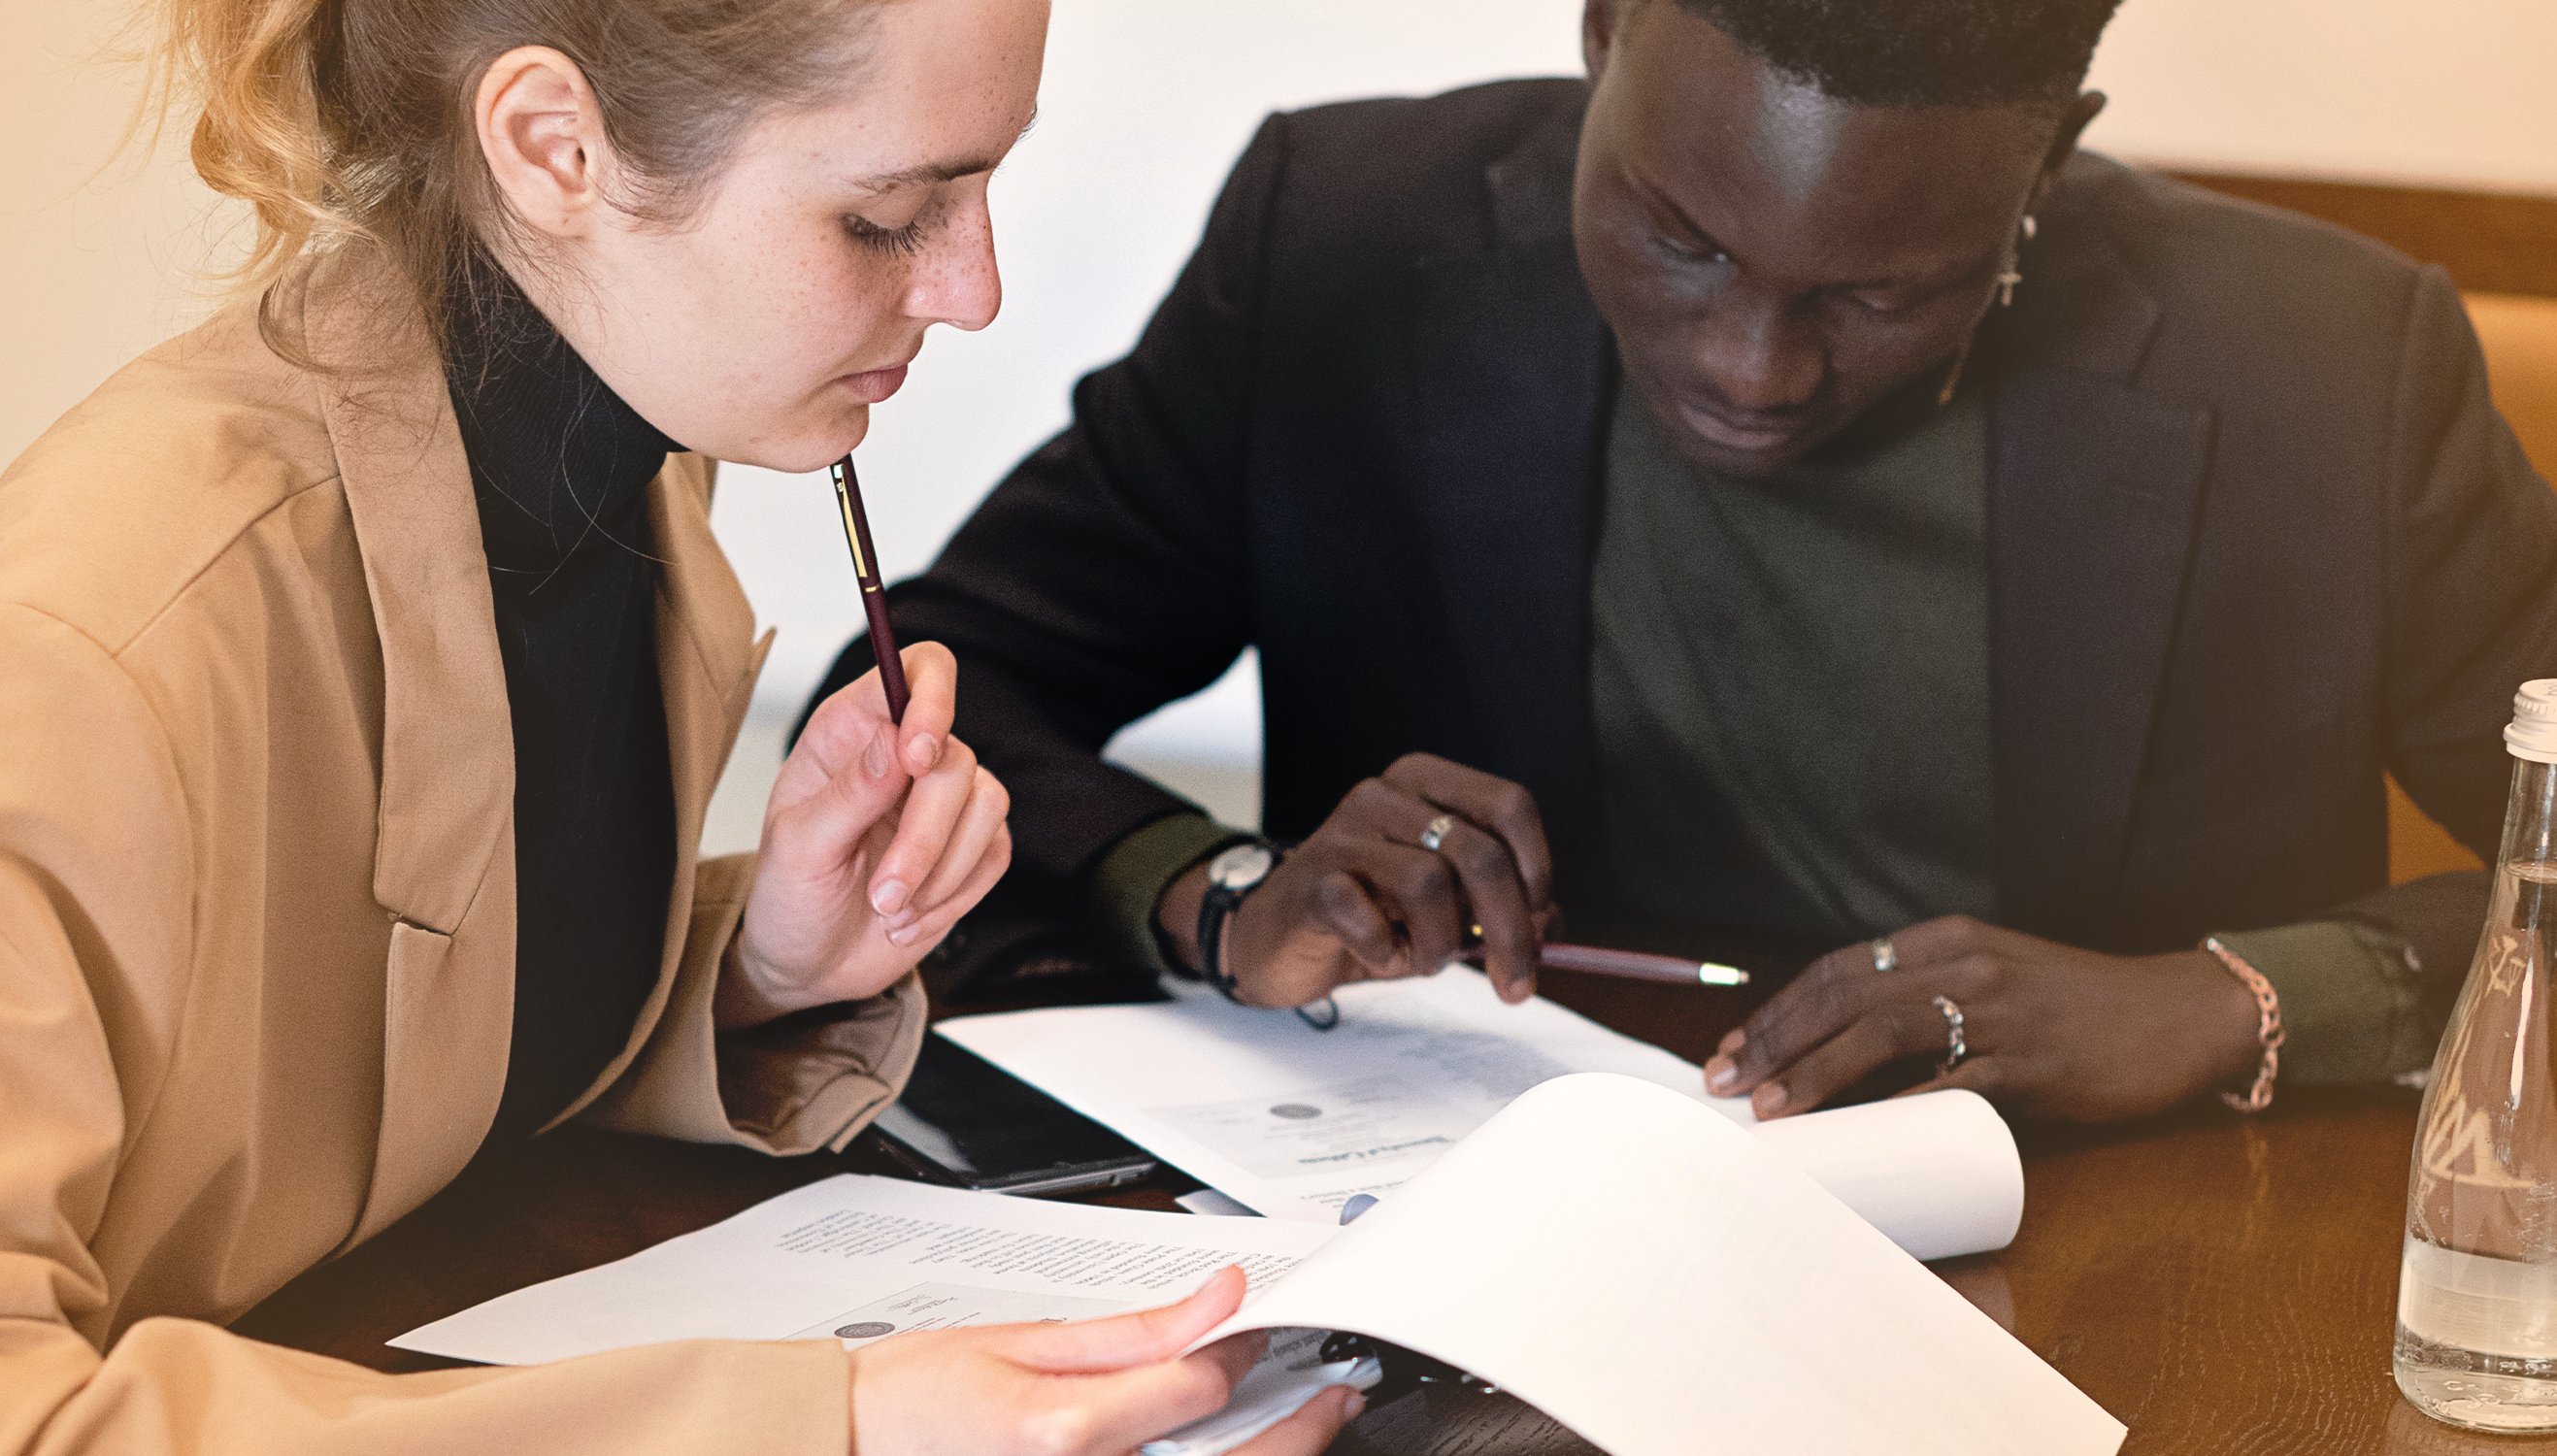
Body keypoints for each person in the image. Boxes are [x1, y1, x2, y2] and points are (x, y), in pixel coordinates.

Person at [0, 0, 1358, 1451]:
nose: (972, 289)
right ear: (553, 146)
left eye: (983, 185)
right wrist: (830, 1431)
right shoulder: (88, 649)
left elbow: (344, 1082)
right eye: (886, 217)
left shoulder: (629, 480)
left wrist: (752, 970)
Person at [811, 0, 2557, 1123]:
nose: (1748, 369)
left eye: (1878, 296)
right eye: (1674, 237)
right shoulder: (1345, 235)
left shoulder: (2324, 364)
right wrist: (1218, 896)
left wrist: (2224, 1002)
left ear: (2047, 155)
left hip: (2107, 1237)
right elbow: (919, 699)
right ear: (1602, 33)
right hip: (1462, 1218)